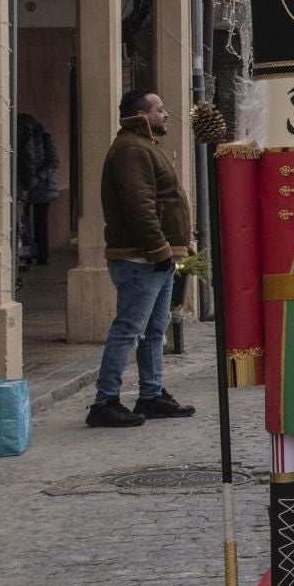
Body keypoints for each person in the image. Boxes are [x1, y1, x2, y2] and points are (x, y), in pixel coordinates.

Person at [88, 90, 193, 428]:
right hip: (140, 259)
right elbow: (140, 206)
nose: (166, 114)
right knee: (129, 330)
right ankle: (105, 401)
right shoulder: (132, 149)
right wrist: (159, 249)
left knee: (153, 330)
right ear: (141, 115)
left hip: (153, 257)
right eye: (159, 109)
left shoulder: (143, 146)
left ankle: (151, 394)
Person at [16, 113, 59, 266]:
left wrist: (38, 177)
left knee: (40, 222)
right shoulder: (20, 139)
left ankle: (41, 254)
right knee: (23, 222)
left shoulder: (45, 139)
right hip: (25, 185)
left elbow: (53, 161)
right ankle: (27, 254)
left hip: (42, 186)